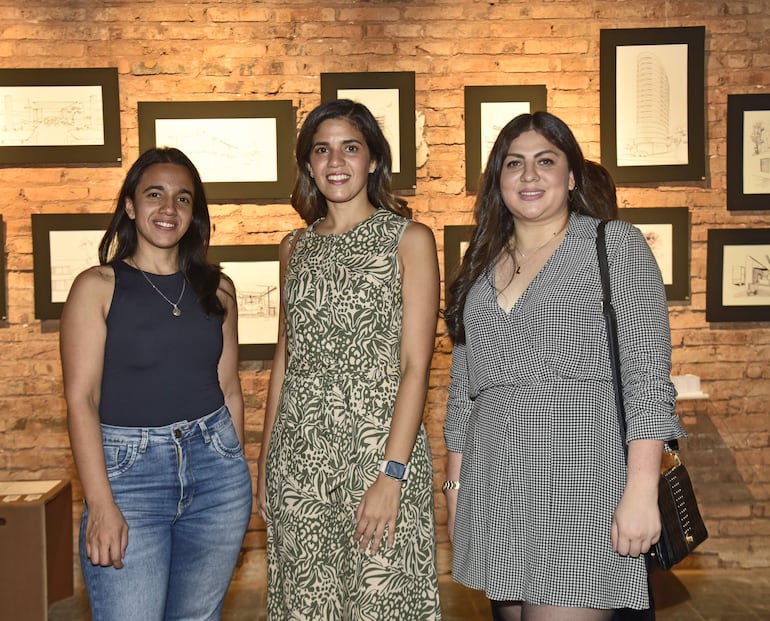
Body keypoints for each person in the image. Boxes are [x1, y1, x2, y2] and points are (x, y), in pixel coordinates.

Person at [443, 111, 685, 620]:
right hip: (494, 490)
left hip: (581, 486)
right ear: (498, 181)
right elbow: (464, 396)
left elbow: (646, 381)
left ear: (571, 176)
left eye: (545, 161)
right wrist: (456, 494)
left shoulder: (613, 246)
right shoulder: (479, 269)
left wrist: (641, 491)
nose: (529, 176)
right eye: (515, 164)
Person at [257, 99, 442, 619]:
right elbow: (285, 356)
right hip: (301, 455)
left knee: (383, 600)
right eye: (322, 150)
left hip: (378, 449)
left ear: (374, 161)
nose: (336, 161)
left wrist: (392, 474)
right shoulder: (294, 247)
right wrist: (267, 461)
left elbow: (415, 367)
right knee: (307, 603)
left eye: (350, 148)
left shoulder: (410, 240)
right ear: (309, 166)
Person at [61, 147, 252, 621]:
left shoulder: (218, 289)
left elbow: (229, 389)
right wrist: (100, 505)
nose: (169, 208)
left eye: (183, 199)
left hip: (216, 476)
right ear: (130, 205)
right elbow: (81, 401)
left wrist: (238, 471)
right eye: (155, 194)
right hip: (128, 479)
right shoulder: (97, 287)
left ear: (194, 213)